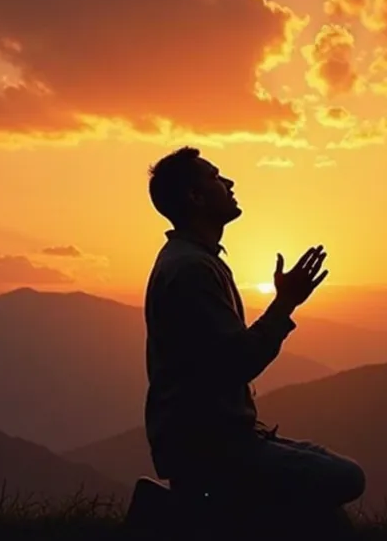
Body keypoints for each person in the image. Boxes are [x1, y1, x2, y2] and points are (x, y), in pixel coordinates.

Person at [143, 146, 365, 512]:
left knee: (322, 476)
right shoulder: (192, 271)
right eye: (215, 177)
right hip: (210, 450)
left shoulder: (195, 261)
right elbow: (238, 362)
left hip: (215, 441)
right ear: (195, 197)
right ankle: (193, 517)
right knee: (346, 478)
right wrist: (285, 303)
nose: (229, 182)